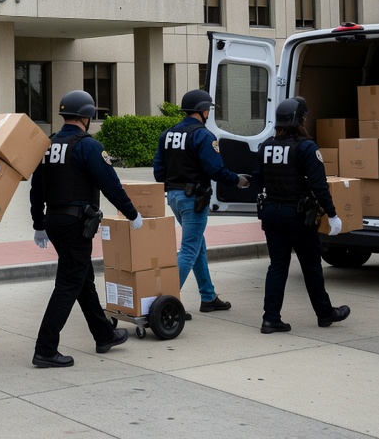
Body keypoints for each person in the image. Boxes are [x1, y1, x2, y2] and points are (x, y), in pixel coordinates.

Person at [29, 90, 140, 368]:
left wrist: (39, 222)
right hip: (75, 224)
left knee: (82, 278)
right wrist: (132, 214)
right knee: (68, 284)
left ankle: (104, 334)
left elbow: (36, 188)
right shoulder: (88, 146)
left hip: (55, 221)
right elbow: (110, 184)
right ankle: (45, 349)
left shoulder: (48, 144)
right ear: (87, 117)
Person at [249, 98, 351, 334]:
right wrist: (333, 215)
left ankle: (270, 318)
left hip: (271, 214)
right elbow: (319, 186)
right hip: (296, 215)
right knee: (311, 266)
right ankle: (325, 313)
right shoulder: (306, 147)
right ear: (300, 120)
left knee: (277, 266)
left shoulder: (265, 146)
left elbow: (257, 182)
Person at [153, 89, 248, 315]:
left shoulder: (168, 134)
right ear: (203, 111)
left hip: (175, 197)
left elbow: (158, 171)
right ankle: (165, 303)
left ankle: (208, 297)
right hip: (193, 199)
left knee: (197, 246)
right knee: (189, 249)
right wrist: (237, 181)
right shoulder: (203, 135)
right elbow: (215, 169)